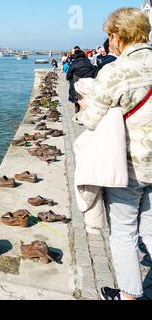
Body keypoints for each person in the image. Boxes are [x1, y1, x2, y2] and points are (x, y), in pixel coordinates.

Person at [77, 7, 152, 301]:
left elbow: (92, 119)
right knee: (150, 227)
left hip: (130, 167)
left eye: (111, 35)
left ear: (118, 36)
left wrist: (83, 110)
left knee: (123, 232)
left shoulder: (116, 71)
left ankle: (129, 295)